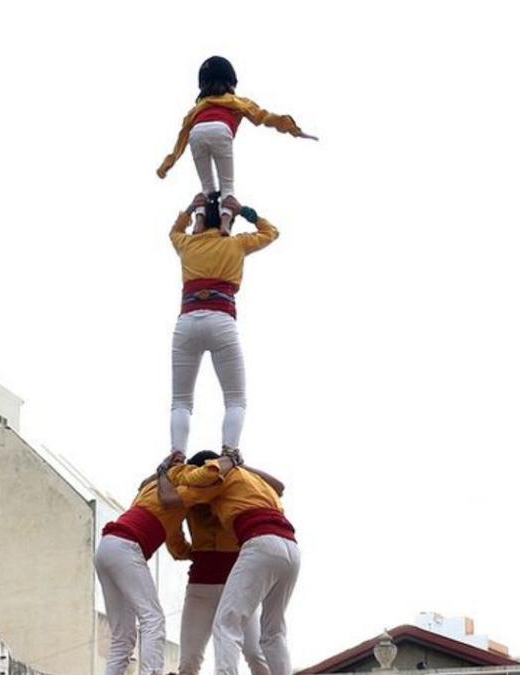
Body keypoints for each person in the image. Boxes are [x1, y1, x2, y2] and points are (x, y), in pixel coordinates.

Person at [162, 453, 298, 675]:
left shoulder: (221, 483)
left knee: (252, 650)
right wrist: (190, 553)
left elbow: (279, 487)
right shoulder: (208, 493)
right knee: (190, 661)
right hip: (207, 583)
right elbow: (172, 528)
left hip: (244, 571)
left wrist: (235, 464)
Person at [169, 195, 278, 456]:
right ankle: (229, 452)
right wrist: (245, 212)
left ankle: (177, 453)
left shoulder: (187, 244)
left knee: (181, 401)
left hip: (186, 322)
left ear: (201, 219)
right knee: (235, 399)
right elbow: (271, 232)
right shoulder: (237, 244)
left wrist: (190, 209)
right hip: (221, 321)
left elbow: (173, 232)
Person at [158, 55, 317, 232]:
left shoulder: (196, 110)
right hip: (221, 131)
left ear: (202, 84)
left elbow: (181, 139)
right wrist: (294, 130)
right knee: (227, 186)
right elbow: (265, 116)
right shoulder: (237, 102)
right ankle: (225, 223)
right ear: (231, 82)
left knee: (207, 187)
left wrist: (167, 165)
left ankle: (199, 221)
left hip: (196, 134)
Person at [95, 453, 219, 675]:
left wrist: (191, 553)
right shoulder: (187, 483)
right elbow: (173, 500)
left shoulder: (155, 486)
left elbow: (174, 542)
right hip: (126, 546)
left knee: (123, 636)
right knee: (153, 619)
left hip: (107, 546)